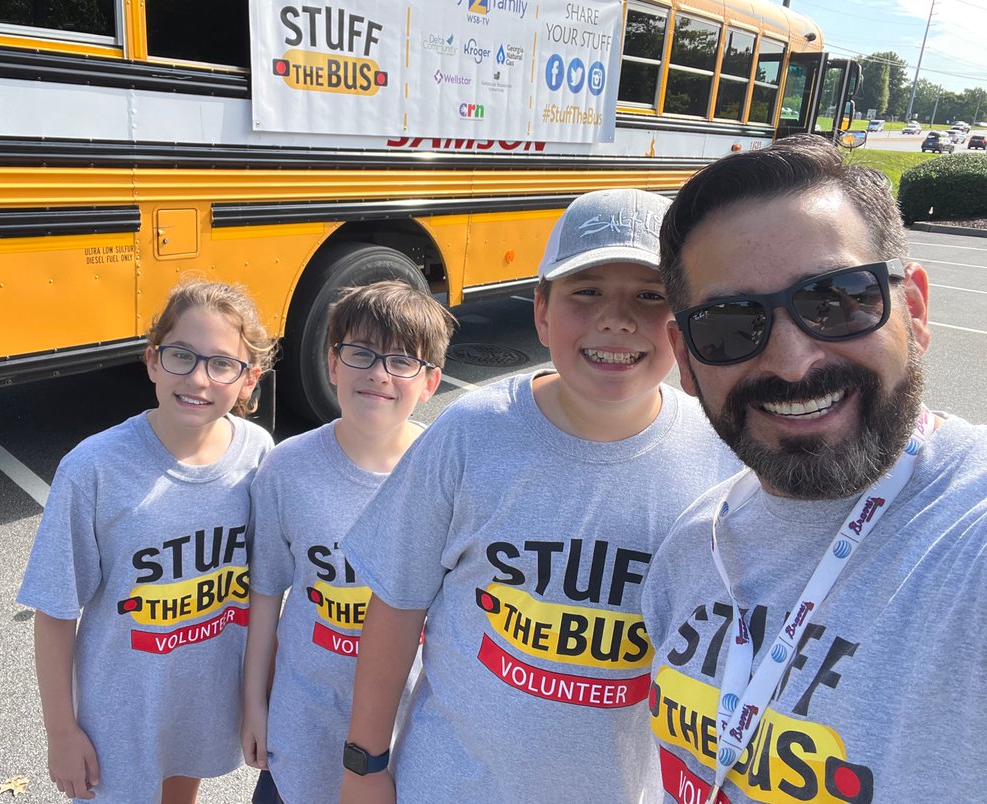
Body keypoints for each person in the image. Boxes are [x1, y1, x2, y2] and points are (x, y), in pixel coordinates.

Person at [337, 189, 741, 803]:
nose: (617, 318)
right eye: (587, 290)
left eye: (651, 295)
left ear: (682, 323)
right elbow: (396, 603)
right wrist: (363, 765)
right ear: (542, 313)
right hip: (452, 785)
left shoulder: (721, 459)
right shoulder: (470, 433)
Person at [643, 134, 987, 803]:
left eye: (836, 299)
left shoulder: (969, 538)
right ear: (686, 360)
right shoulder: (693, 548)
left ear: (913, 310)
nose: (795, 362)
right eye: (730, 324)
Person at [17, 278, 276, 804]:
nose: (199, 378)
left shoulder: (257, 454)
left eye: (222, 363)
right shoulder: (94, 468)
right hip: (122, 711)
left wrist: (255, 700)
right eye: (183, 355)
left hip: (203, 699)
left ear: (249, 380)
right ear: (154, 361)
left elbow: (264, 591)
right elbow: (55, 611)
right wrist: (61, 733)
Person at [242, 280, 456, 804]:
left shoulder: (446, 472)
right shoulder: (286, 468)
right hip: (300, 723)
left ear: (429, 383)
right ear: (333, 363)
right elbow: (266, 594)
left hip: (403, 732)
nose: (379, 372)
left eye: (402, 360)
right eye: (361, 352)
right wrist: (253, 702)